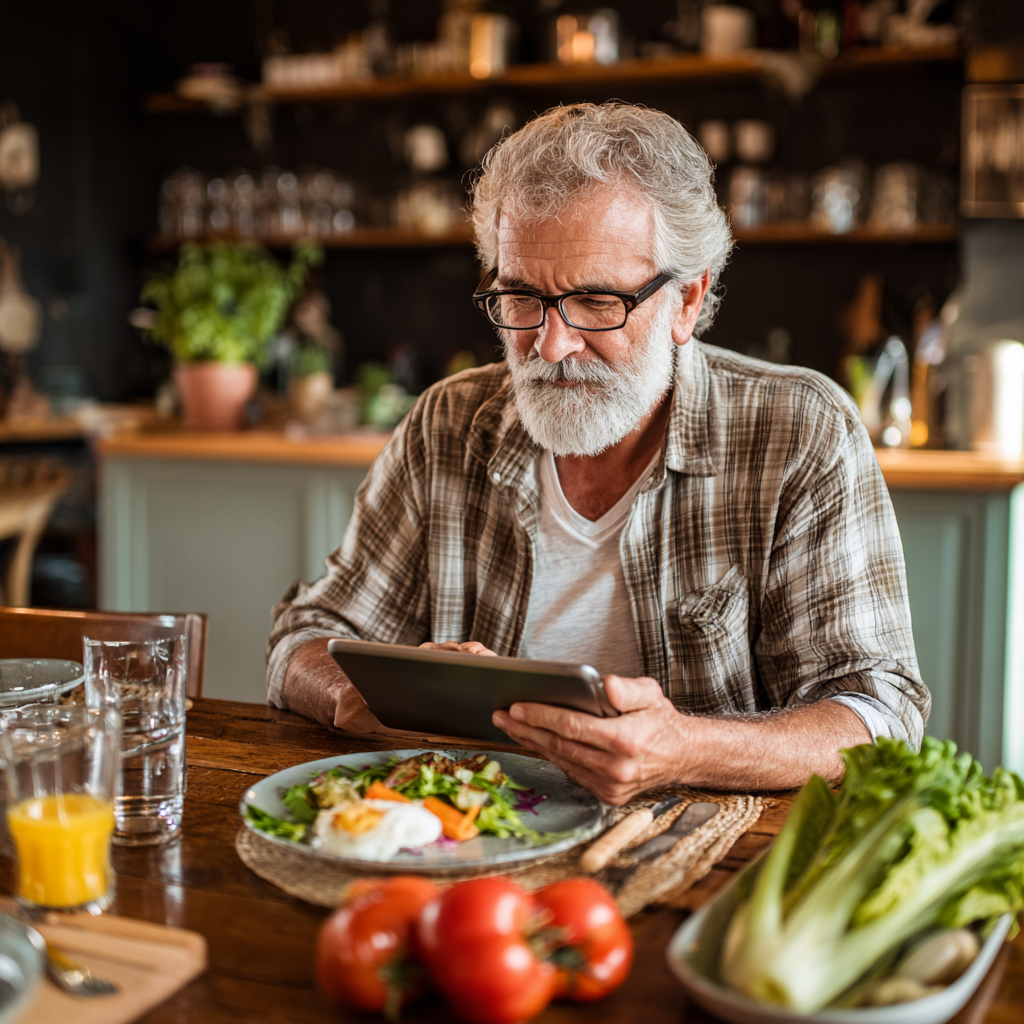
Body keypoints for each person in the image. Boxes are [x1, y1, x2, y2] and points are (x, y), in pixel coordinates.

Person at [267, 102, 928, 805]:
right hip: (474, 846)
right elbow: (303, 639)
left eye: (596, 301)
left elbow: (879, 718)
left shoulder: (798, 431)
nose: (552, 346)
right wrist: (358, 693)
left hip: (704, 854)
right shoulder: (449, 424)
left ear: (686, 301)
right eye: (520, 297)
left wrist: (683, 748)